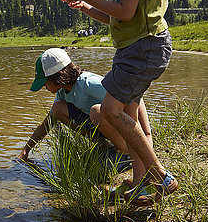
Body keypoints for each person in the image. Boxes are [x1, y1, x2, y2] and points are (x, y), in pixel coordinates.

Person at [56, 0, 177, 206]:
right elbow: (116, 16)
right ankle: (140, 184)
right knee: (130, 113)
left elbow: (125, 10)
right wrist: (86, 7)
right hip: (133, 49)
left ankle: (160, 177)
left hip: (144, 47)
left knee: (110, 111)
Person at [18, 48, 148, 177]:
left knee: (96, 111)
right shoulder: (63, 92)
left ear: (58, 77)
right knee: (57, 109)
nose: (44, 87)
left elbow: (134, 97)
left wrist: (146, 134)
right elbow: (48, 122)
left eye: (45, 82)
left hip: (125, 130)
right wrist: (26, 151)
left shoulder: (88, 83)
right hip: (107, 129)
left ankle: (124, 153)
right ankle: (104, 146)